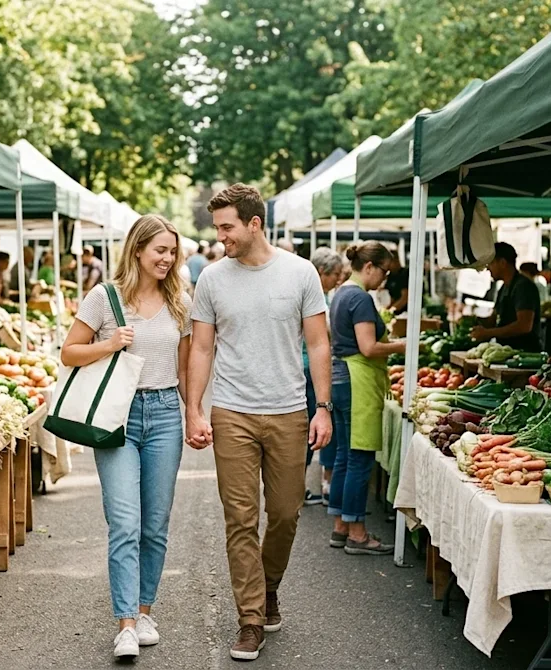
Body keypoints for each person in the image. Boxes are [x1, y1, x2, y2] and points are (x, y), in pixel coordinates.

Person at [186, 183, 332, 662]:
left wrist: (323, 407)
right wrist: (195, 408)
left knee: (287, 513)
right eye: (217, 227)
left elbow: (317, 344)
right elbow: (202, 347)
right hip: (232, 411)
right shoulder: (211, 279)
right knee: (241, 518)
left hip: (289, 410)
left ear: (254, 223)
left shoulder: (299, 272)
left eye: (227, 226)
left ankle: (269, 585)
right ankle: (250, 618)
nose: (220, 235)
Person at [60, 215, 192, 661]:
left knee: (155, 524)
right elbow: (69, 352)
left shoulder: (179, 301)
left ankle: (145, 609)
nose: (167, 259)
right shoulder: (104, 298)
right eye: (160, 250)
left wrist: (193, 414)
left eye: (172, 252)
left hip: (165, 414)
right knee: (124, 522)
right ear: (137, 250)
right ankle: (126, 625)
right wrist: (110, 343)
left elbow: (188, 365)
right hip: (116, 417)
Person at [328, 242, 404, 555]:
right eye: (384, 271)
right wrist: (403, 346)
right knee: (360, 458)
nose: (385, 278)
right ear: (369, 266)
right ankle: (357, 534)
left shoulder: (341, 292)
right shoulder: (359, 297)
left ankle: (340, 527)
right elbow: (369, 347)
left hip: (341, 378)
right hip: (357, 379)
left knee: (346, 455)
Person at [304, 247, 346, 505]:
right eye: (335, 275)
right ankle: (297, 488)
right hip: (309, 370)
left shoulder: (324, 295)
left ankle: (299, 487)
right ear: (322, 273)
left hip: (310, 368)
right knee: (308, 428)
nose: (339, 279)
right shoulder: (314, 296)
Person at [471, 242, 542, 352]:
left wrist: (487, 333)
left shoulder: (523, 287)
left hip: (524, 355)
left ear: (503, 263)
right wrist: (475, 321)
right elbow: (494, 319)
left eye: (491, 263)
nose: (488, 268)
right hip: (507, 352)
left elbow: (524, 326)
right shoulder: (504, 287)